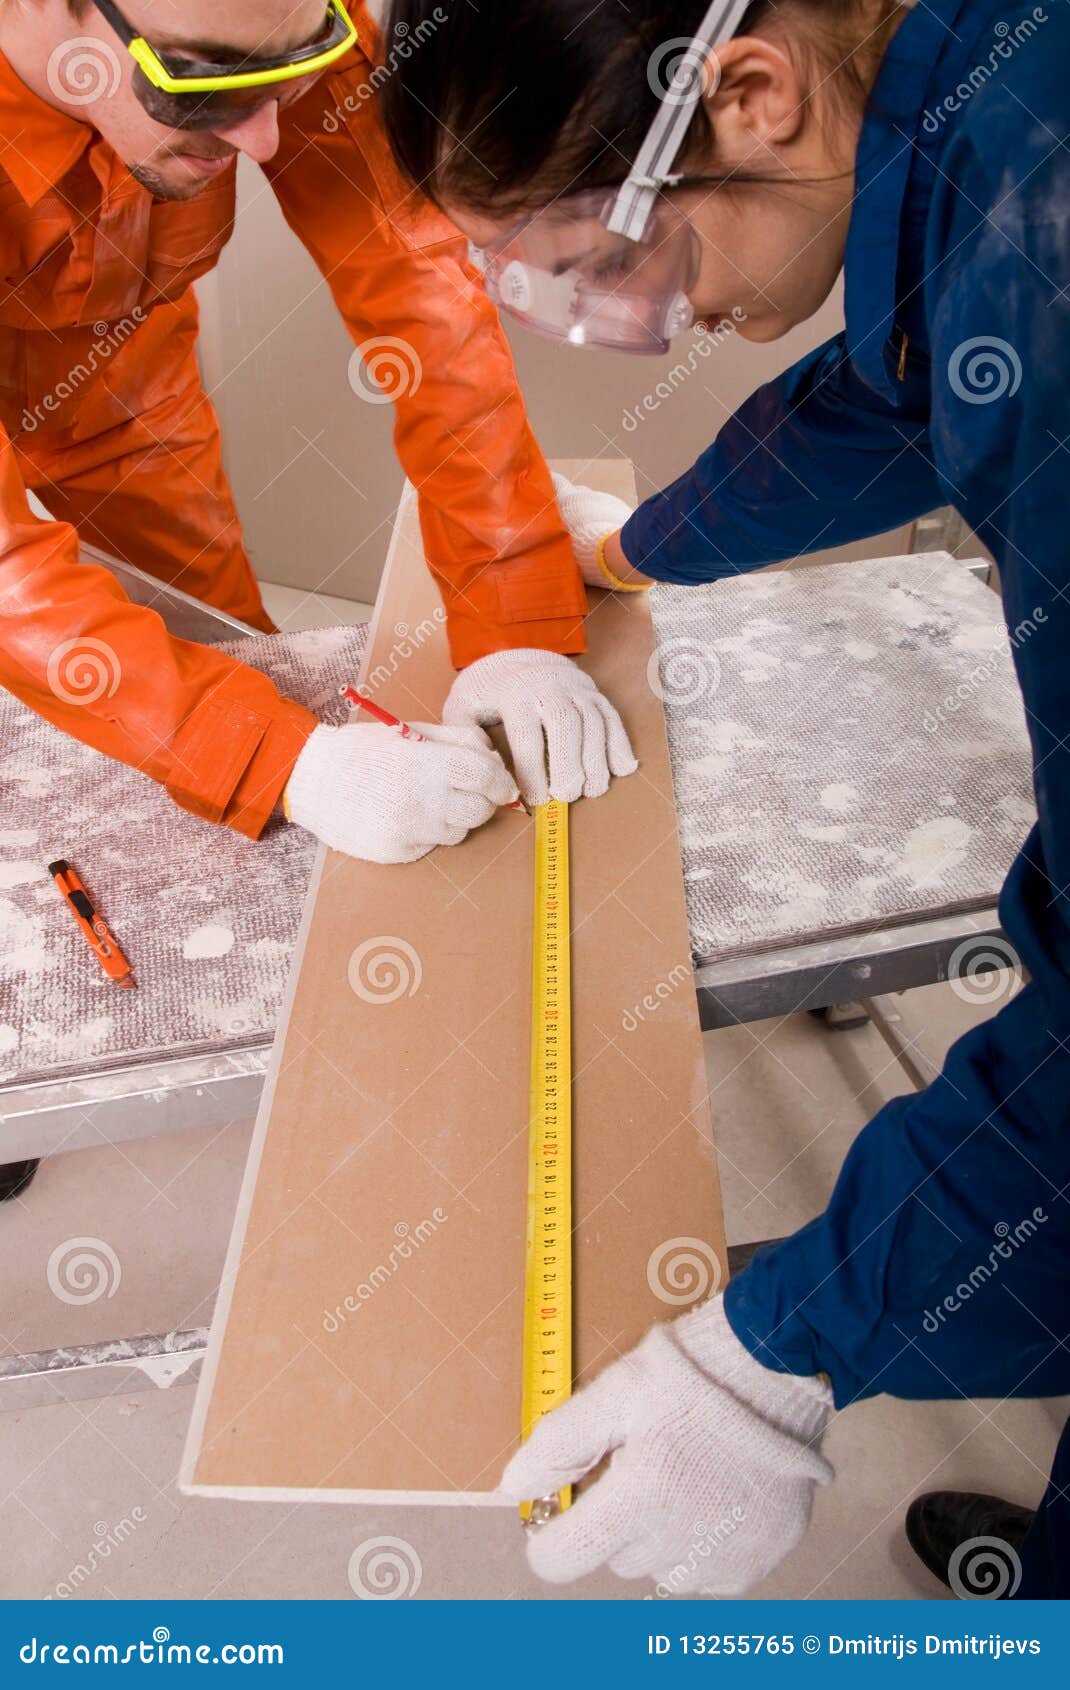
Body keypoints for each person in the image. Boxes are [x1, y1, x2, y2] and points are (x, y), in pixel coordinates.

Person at [382, 0, 1070, 1597]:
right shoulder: (965, 112)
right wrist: (624, 550)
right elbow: (899, 392)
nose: (635, 318)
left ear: (746, 96)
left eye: (601, 259)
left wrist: (765, 1356)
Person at [0, 0, 637, 880]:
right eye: (205, 87)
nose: (265, 138)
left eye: (289, 79)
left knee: (235, 662)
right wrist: (281, 765)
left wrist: (510, 597)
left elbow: (420, 298)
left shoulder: (278, 13)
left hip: (122, 397)